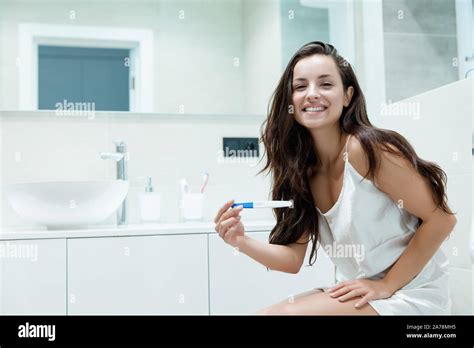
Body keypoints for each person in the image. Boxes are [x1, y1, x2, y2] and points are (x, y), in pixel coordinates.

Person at [213, 41, 457, 315]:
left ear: (347, 96)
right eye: (300, 86)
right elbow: (293, 258)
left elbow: (441, 219)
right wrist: (241, 242)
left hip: (411, 294)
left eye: (326, 84)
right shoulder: (303, 170)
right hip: (358, 289)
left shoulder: (367, 149)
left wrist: (387, 284)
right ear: (290, 100)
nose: (312, 94)